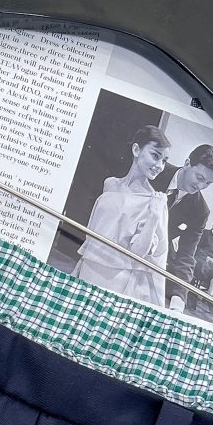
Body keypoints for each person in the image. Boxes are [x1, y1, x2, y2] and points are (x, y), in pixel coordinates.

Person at [76, 124, 170, 305]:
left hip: (116, 278)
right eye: (155, 155)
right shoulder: (110, 184)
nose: (159, 165)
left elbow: (138, 254)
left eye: (164, 160)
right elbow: (97, 231)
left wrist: (154, 216)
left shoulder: (154, 201)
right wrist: (80, 263)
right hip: (89, 268)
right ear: (136, 150)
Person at [152, 143, 213, 309]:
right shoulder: (155, 170)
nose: (201, 186)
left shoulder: (201, 211)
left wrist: (178, 300)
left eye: (208, 183)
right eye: (199, 178)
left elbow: (187, 254)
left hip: (155, 257)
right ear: (187, 163)